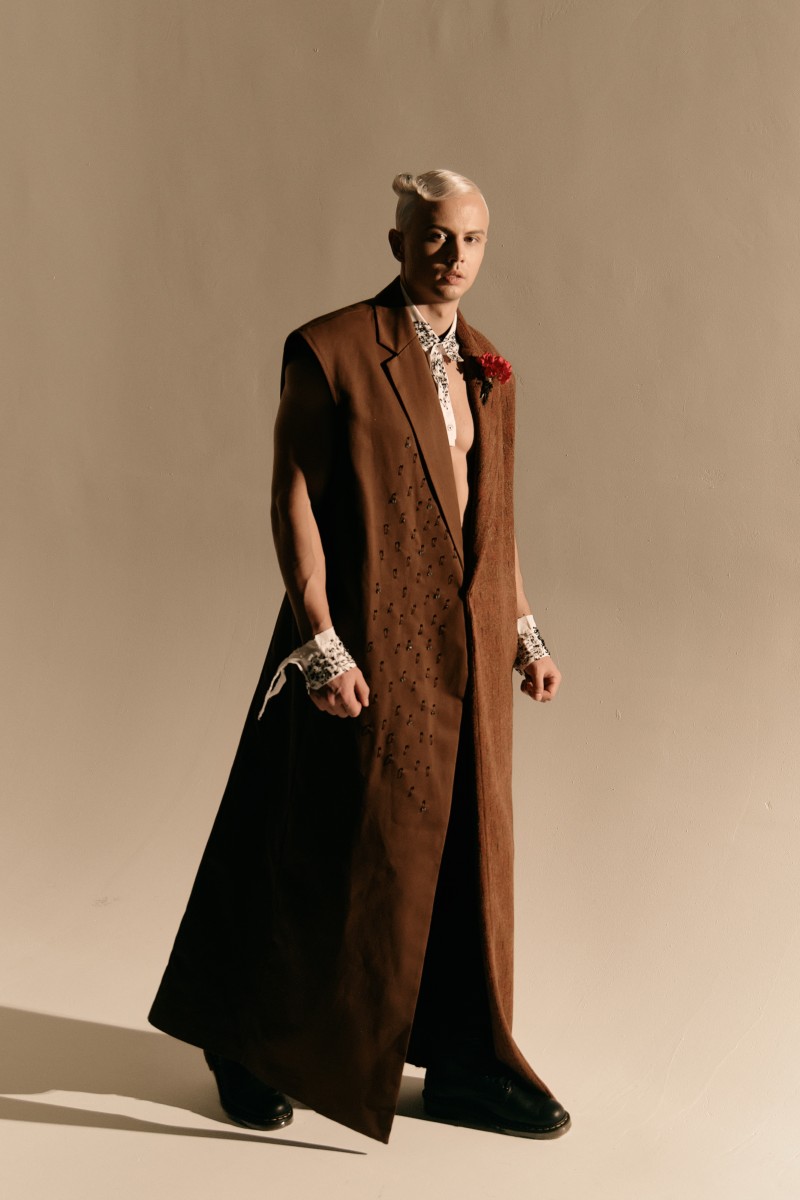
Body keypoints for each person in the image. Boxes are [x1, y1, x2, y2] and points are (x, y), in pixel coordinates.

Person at [148, 169, 570, 1143]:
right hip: (364, 638)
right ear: (397, 242)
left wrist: (524, 632)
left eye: (470, 239)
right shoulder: (332, 348)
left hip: (467, 652)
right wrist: (319, 639)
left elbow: (492, 516)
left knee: (468, 854)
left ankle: (467, 1060)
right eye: (435, 235)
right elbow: (292, 492)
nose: (453, 256)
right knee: (330, 843)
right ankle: (248, 1041)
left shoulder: (489, 365)